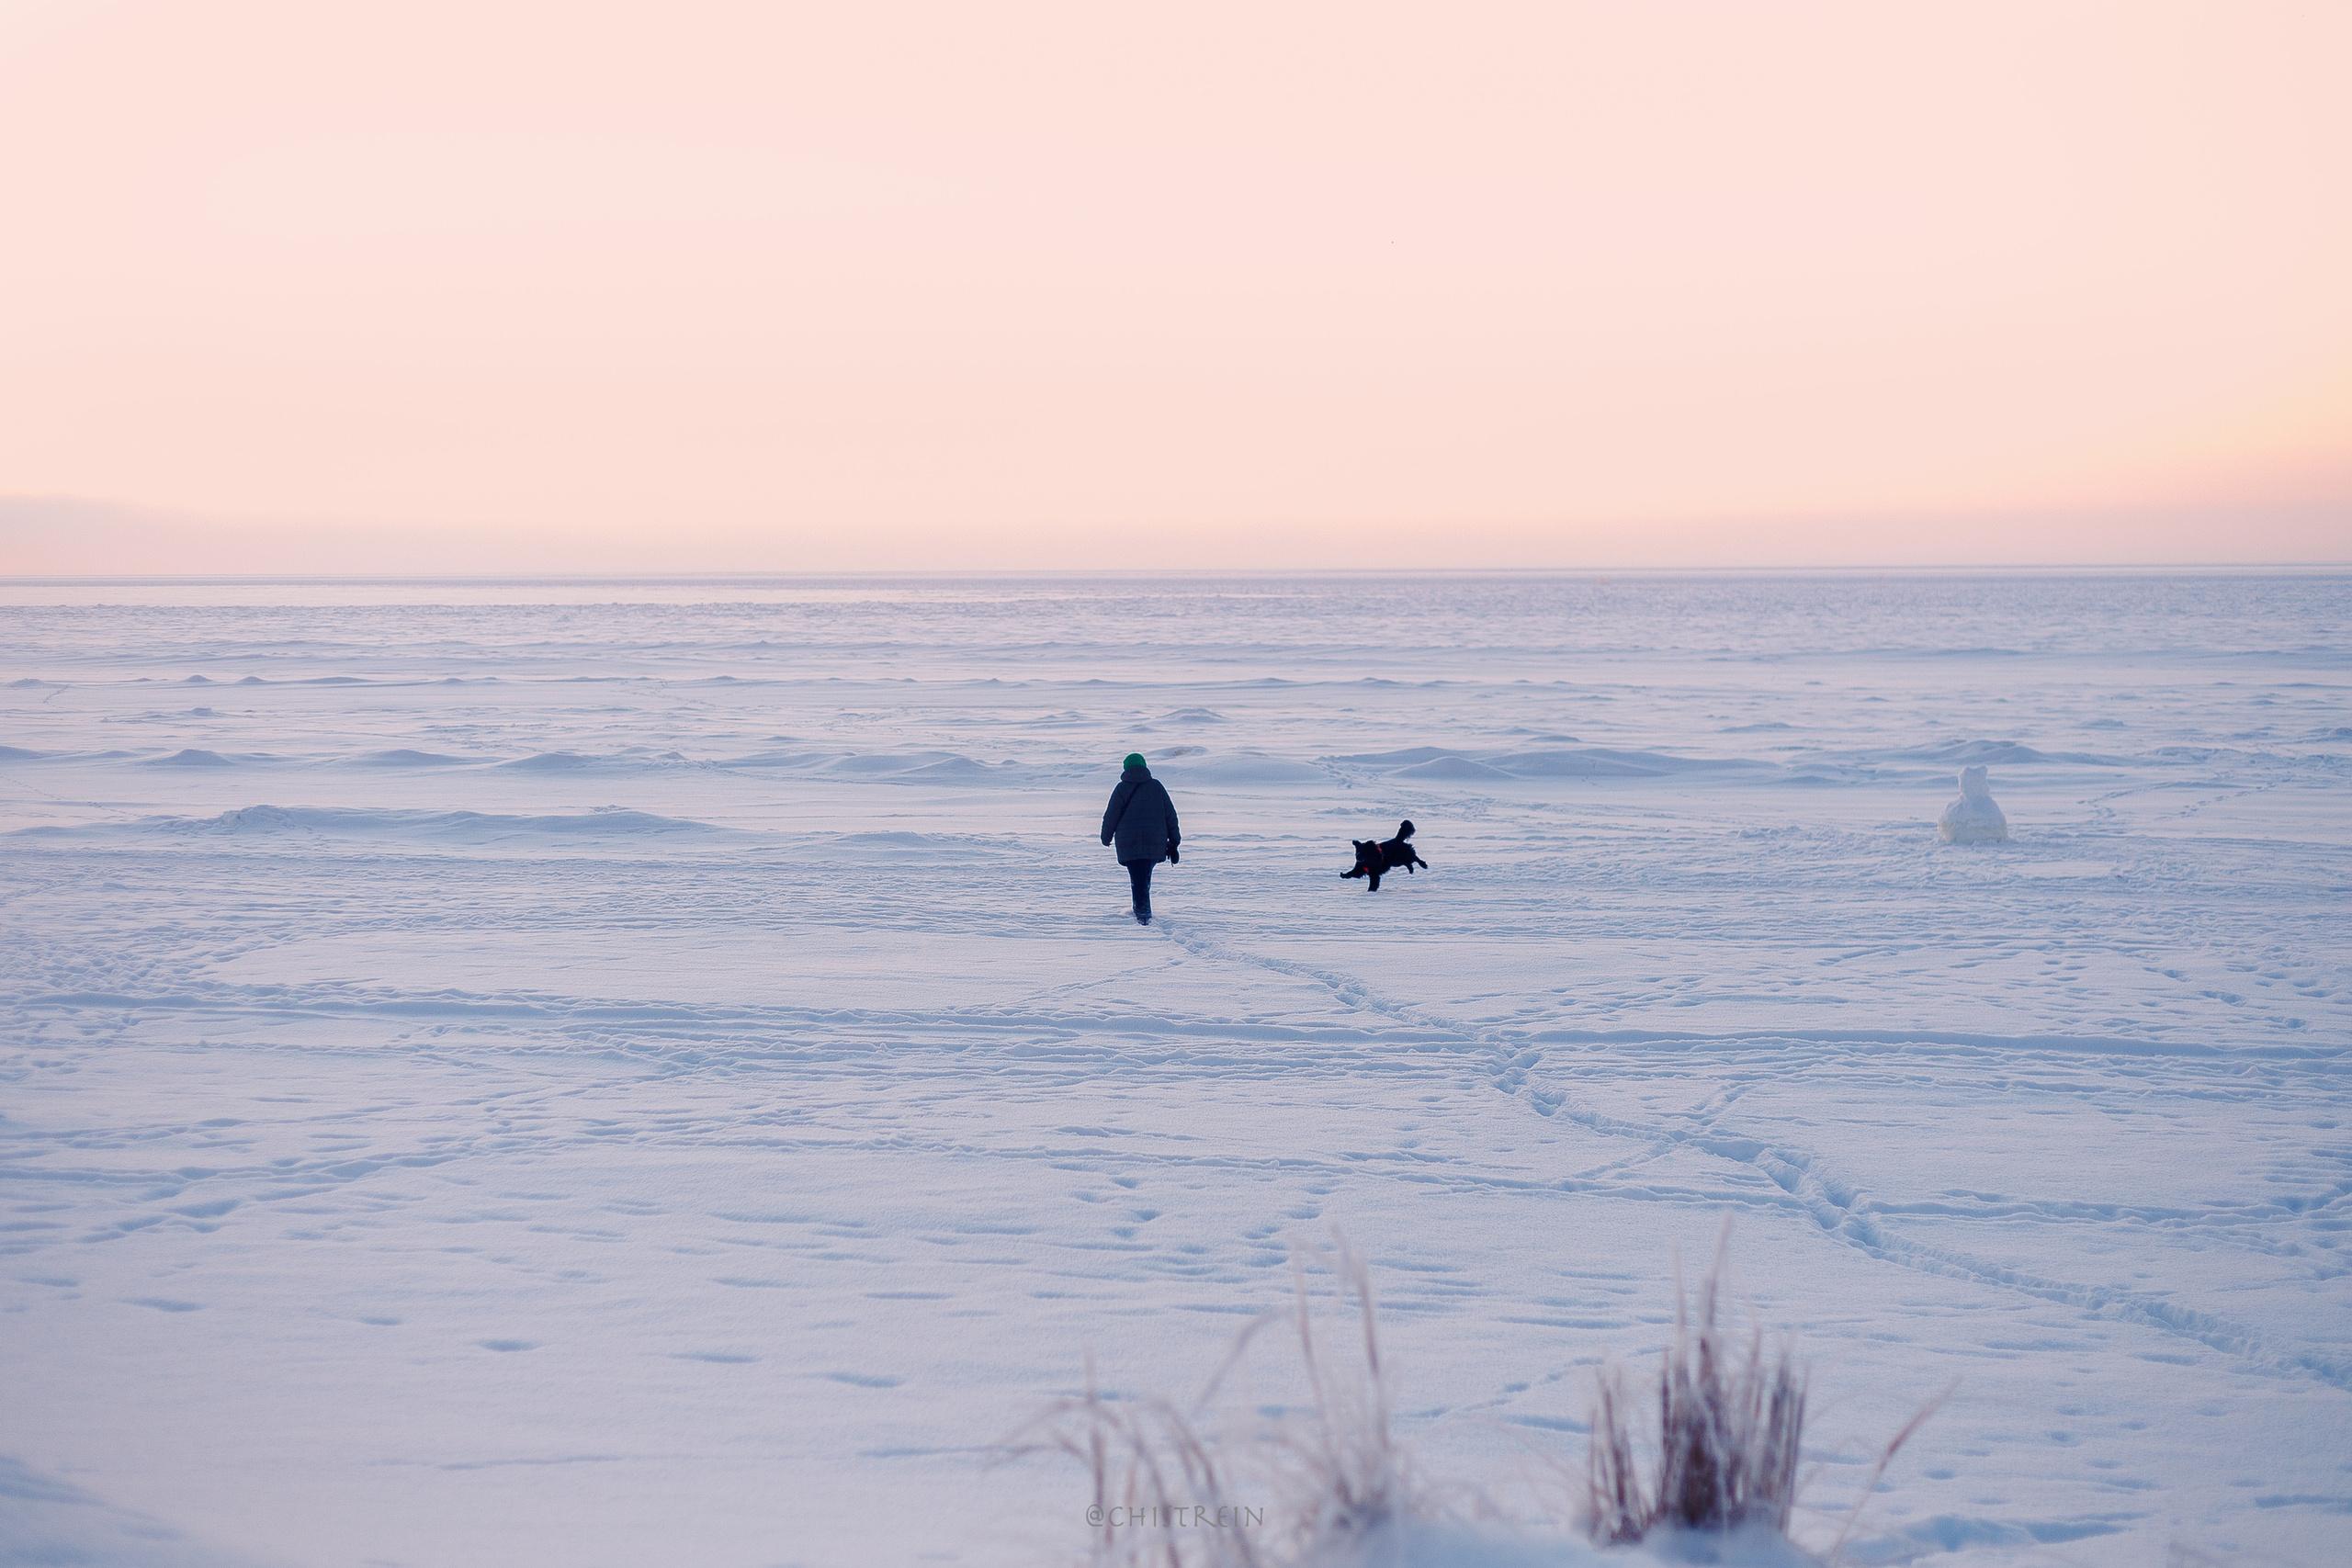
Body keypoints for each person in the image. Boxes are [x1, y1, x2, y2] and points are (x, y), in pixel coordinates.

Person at [1100, 751, 1181, 924]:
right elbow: (1170, 815)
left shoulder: (1121, 789)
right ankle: (1141, 908)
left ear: (1126, 768)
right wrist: (1175, 840)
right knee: (1143, 876)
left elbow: (1111, 816)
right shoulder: (1157, 786)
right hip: (1154, 841)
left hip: (1129, 842)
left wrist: (1106, 837)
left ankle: (1143, 912)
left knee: (1138, 877)